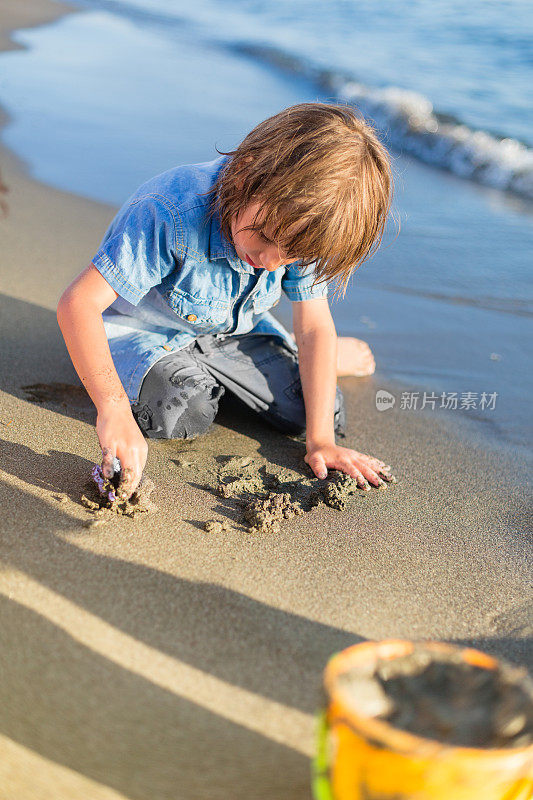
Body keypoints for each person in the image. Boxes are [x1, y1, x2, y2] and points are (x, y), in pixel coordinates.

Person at [57, 102, 396, 500]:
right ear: (245, 175)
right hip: (147, 334)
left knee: (311, 412)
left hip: (232, 334)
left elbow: (314, 324)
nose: (271, 262)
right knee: (181, 407)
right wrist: (112, 409)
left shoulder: (304, 229)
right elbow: (77, 303)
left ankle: (291, 358)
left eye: (290, 256)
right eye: (266, 236)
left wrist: (321, 441)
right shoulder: (170, 211)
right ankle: (236, 372)